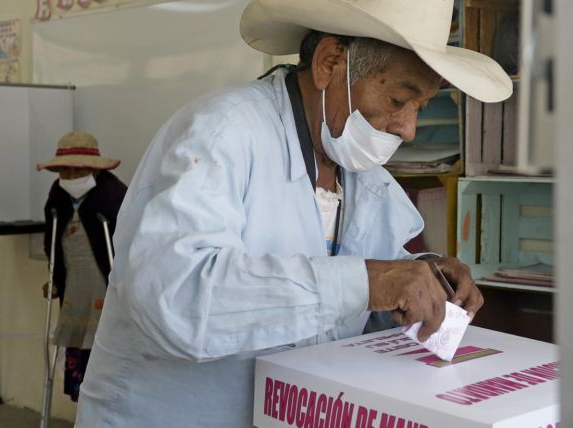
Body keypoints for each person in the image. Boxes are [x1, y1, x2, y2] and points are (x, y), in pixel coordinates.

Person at [75, 0, 511, 426]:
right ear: (329, 63)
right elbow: (178, 297)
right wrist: (371, 282)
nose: (408, 128)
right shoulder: (222, 133)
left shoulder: (357, 170)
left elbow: (356, 288)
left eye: (421, 107)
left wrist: (423, 281)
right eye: (399, 99)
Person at [37, 131, 127, 402]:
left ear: (94, 168)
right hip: (74, 292)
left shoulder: (113, 193)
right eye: (65, 170)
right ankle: (82, 411)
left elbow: (129, 243)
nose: (71, 176)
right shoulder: (58, 194)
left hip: (107, 289)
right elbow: (52, 242)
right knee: (78, 349)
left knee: (106, 354)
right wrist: (54, 280)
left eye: (78, 170)